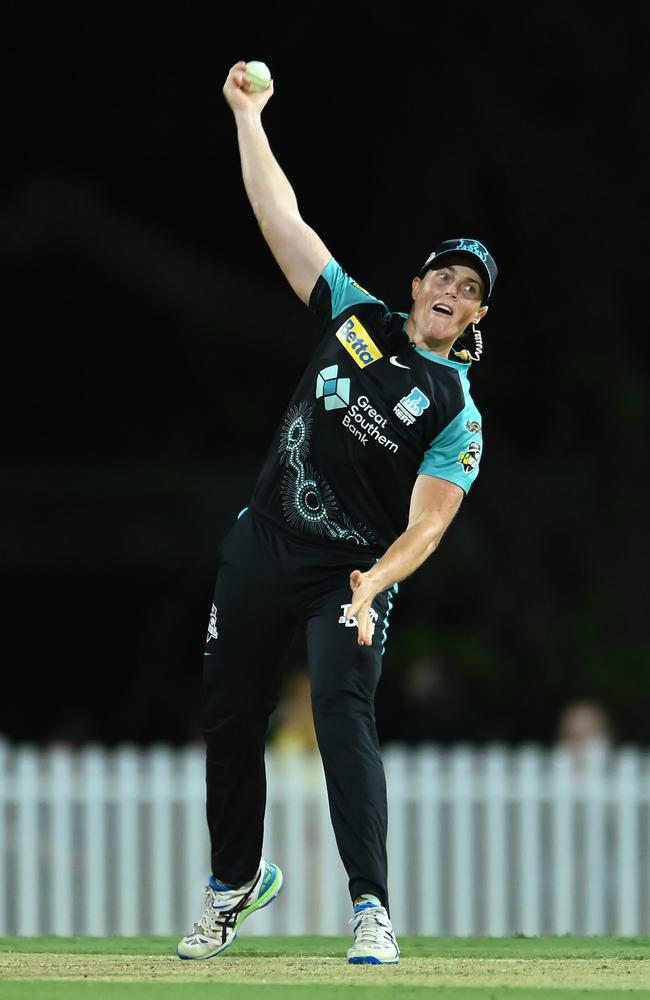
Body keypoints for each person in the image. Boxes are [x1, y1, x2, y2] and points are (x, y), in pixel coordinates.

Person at [177, 60, 497, 965]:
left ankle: (372, 909)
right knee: (229, 711)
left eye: (471, 291)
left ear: (476, 323)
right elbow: (282, 218)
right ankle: (235, 882)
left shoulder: (456, 412)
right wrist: (249, 116)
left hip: (347, 573)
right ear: (419, 280)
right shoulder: (355, 315)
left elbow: (428, 527)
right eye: (446, 275)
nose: (453, 291)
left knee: (339, 714)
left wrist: (373, 584)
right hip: (264, 538)